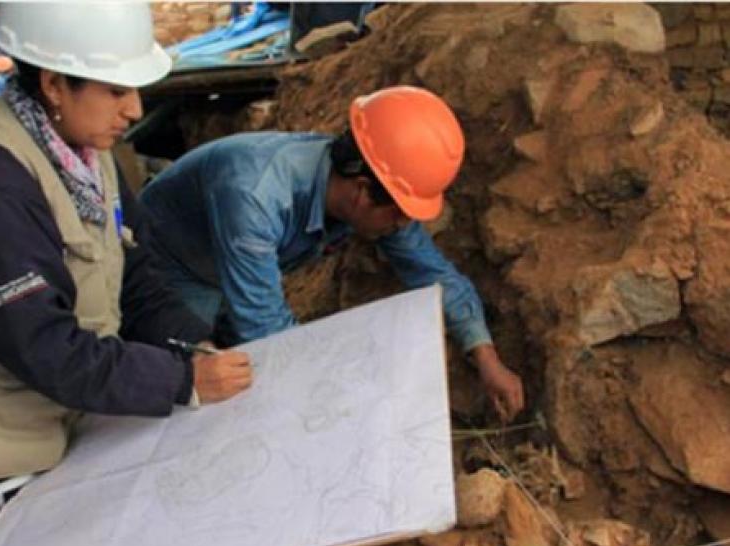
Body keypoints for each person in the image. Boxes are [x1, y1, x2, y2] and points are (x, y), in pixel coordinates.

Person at [0, 3, 252, 530]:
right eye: (115, 90)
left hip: (68, 411)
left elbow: (135, 281)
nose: (134, 110)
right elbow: (42, 346)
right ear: (55, 84)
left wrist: (193, 345)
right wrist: (181, 381)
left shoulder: (84, 154)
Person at [140, 86, 524, 422]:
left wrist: (487, 358)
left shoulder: (367, 193)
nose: (403, 226)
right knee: (198, 389)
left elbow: (433, 272)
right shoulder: (255, 194)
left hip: (231, 267)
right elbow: (266, 328)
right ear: (361, 190)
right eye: (400, 215)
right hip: (167, 268)